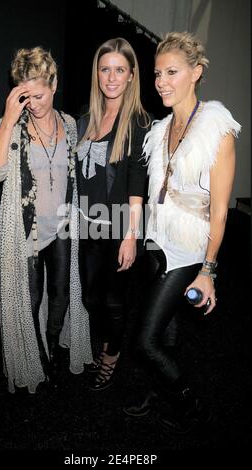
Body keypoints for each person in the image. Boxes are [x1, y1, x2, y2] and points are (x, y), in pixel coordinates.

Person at [123, 31, 241, 433]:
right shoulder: (161, 129)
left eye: (171, 72)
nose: (161, 82)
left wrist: (209, 271)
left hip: (188, 251)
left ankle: (189, 403)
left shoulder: (216, 130)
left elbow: (221, 212)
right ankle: (162, 394)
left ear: (196, 72)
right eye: (157, 74)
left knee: (144, 342)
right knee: (166, 335)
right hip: (157, 243)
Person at [0, 46, 92, 394]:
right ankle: (39, 360)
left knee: (59, 296)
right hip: (25, 233)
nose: (34, 103)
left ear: (54, 84)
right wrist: (9, 119)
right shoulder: (11, 126)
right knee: (29, 302)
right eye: (26, 96)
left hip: (60, 228)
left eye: (40, 94)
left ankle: (53, 347)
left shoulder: (70, 125)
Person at [75, 37, 151, 391]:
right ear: (97, 73)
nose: (111, 77)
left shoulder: (137, 122)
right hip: (86, 225)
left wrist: (131, 236)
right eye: (105, 69)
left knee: (114, 300)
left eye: (120, 70)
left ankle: (111, 354)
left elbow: (137, 186)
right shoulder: (86, 119)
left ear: (132, 75)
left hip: (118, 226)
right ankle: (106, 342)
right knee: (91, 298)